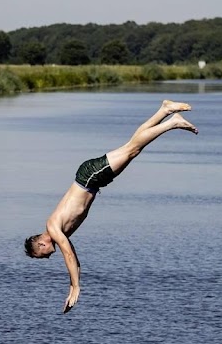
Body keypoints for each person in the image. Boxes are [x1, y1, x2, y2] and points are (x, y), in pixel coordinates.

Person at [24, 100, 198, 313]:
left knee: (132, 149)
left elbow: (68, 256)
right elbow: (75, 261)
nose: (50, 256)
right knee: (131, 147)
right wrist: (72, 290)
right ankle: (164, 110)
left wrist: (75, 285)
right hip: (91, 180)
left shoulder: (53, 228)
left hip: (89, 178)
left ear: (41, 244)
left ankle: (172, 122)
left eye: (45, 255)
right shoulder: (60, 235)